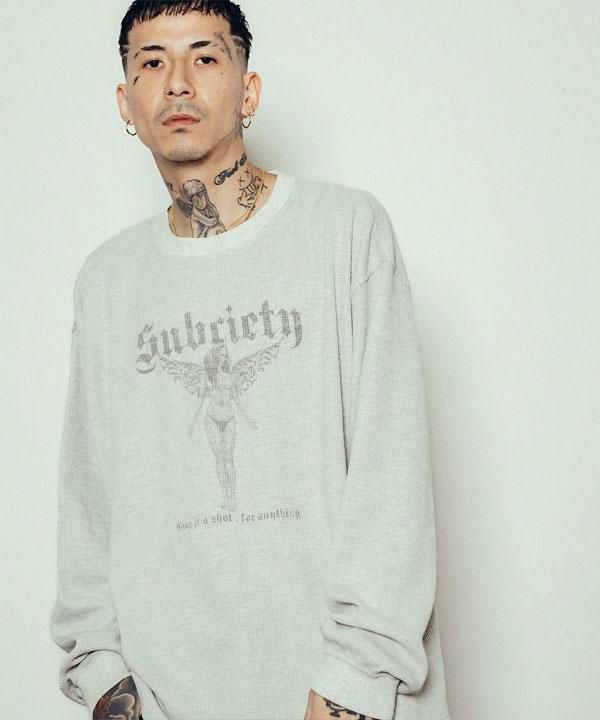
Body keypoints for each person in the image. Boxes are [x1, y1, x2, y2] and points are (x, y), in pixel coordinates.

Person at [49, 2, 452, 719]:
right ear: (126, 103)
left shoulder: (344, 232)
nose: (177, 81)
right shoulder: (107, 281)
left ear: (249, 90)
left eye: (205, 57)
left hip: (337, 700)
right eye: (151, 62)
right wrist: (109, 684)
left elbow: (393, 486)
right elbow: (88, 507)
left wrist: (347, 691)